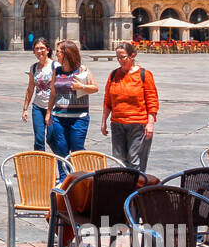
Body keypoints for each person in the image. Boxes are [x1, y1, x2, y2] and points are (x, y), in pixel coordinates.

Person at [101, 41, 158, 172]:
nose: (120, 60)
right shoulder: (114, 75)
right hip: (117, 123)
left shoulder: (144, 75)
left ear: (132, 56)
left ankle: (136, 189)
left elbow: (152, 101)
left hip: (138, 124)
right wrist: (104, 121)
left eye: (123, 57)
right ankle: (124, 188)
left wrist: (150, 124)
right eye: (118, 57)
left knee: (134, 159)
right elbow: (108, 100)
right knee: (119, 159)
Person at [48, 40, 97, 154]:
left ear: (67, 53)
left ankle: (78, 172)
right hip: (58, 116)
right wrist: (48, 112)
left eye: (59, 51)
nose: (56, 54)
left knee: (77, 150)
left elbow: (95, 88)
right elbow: (53, 94)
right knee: (61, 150)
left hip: (79, 117)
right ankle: (64, 173)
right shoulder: (57, 71)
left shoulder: (82, 69)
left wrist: (82, 86)